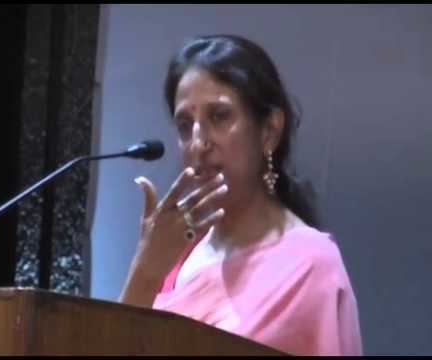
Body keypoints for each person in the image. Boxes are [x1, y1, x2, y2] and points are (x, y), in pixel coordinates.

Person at [119, 34, 363, 356]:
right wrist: (145, 272)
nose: (198, 142)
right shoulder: (175, 251)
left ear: (269, 131)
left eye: (219, 117)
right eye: (184, 124)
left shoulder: (310, 267)